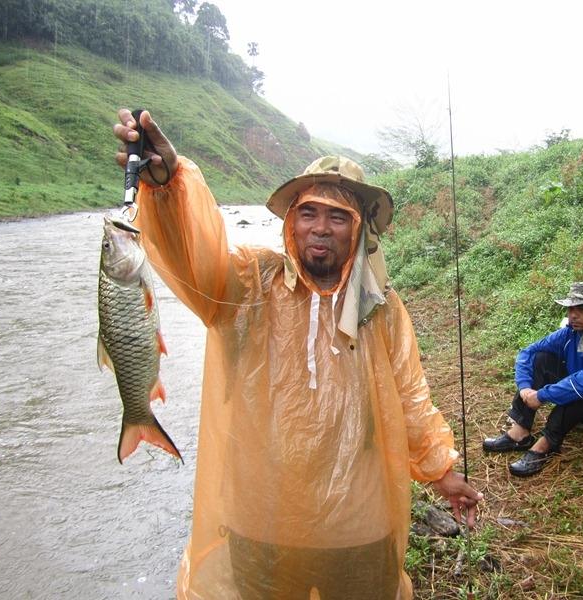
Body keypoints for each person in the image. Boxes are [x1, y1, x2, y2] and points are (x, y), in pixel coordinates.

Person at [112, 109, 482, 600]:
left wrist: (443, 473)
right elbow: (190, 255)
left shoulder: (382, 310)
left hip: (359, 523)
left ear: (361, 230)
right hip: (261, 518)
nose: (320, 228)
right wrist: (166, 188)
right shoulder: (247, 284)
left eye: (338, 216)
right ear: (291, 223)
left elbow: (411, 399)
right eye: (308, 212)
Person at [482, 282, 583, 477]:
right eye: (570, 308)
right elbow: (528, 352)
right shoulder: (570, 334)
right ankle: (520, 433)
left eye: (581, 309)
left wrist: (541, 395)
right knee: (542, 358)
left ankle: (546, 445)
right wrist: (525, 388)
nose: (573, 315)